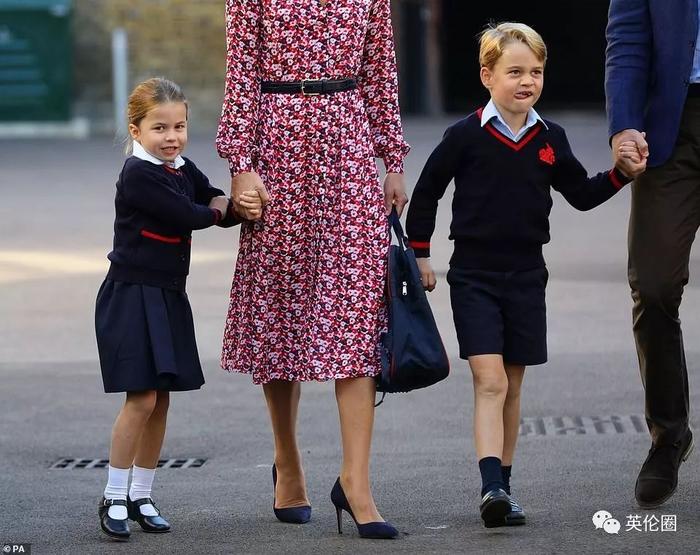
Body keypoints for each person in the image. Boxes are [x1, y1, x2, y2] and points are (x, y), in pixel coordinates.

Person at [405, 22, 645, 528]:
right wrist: (421, 255)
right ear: (487, 75)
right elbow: (426, 192)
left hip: (527, 276)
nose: (527, 81)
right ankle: (489, 484)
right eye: (514, 72)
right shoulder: (465, 135)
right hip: (473, 275)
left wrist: (622, 173)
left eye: (535, 72)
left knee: (512, 385)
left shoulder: (550, 138)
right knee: (489, 380)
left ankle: (503, 490)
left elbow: (580, 193)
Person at [216, 0, 409, 540]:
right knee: (280, 306)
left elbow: (380, 72)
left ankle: (357, 482)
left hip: (348, 149)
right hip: (275, 150)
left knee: (356, 308)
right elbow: (241, 73)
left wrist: (392, 161)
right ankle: (288, 462)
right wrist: (242, 168)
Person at [95, 77, 265, 541]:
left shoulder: (179, 167)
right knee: (142, 398)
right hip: (132, 295)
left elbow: (208, 194)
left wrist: (228, 205)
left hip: (168, 296)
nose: (171, 137)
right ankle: (112, 495)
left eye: (179, 126)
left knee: (162, 398)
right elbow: (190, 212)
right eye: (159, 128)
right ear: (136, 130)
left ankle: (141, 494)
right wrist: (228, 208)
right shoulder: (138, 174)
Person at [605, 0, 698, 509]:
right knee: (655, 283)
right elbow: (628, 41)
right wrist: (623, 123)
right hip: (672, 127)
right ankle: (669, 437)